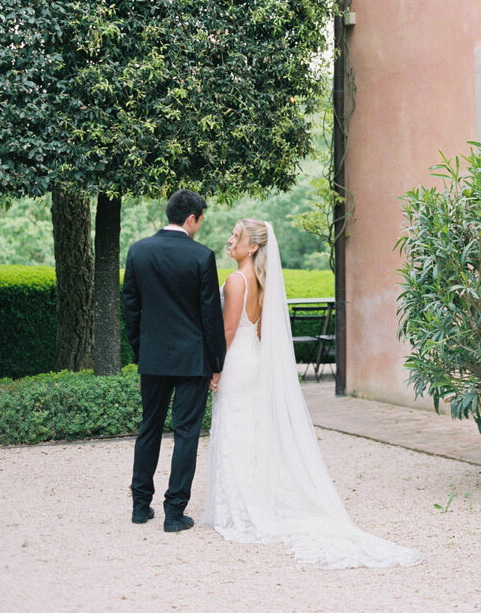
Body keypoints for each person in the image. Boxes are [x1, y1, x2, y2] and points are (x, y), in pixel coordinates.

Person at [201, 219, 422, 569]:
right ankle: (255, 498)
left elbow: (228, 329)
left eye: (236, 236)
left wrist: (215, 368)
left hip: (237, 361)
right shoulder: (261, 280)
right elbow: (258, 330)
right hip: (253, 359)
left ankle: (240, 507)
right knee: (252, 430)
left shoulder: (236, 280)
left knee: (235, 429)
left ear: (253, 246)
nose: (229, 240)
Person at [123, 189, 226, 533]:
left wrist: (141, 349)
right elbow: (210, 315)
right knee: (186, 433)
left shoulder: (138, 251)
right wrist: (217, 361)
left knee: (149, 426)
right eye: (200, 221)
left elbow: (131, 308)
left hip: (153, 357)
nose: (199, 227)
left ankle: (140, 507)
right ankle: (174, 512)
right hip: (192, 359)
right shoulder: (201, 256)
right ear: (191, 218)